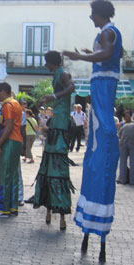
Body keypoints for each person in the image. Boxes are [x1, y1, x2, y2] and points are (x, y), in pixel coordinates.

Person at [63, 0, 122, 262]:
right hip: (102, 89)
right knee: (98, 130)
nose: (90, 17)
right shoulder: (108, 34)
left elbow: (109, 54)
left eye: (92, 13)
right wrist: (92, 53)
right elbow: (112, 55)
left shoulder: (108, 32)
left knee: (102, 128)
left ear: (100, 14)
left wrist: (82, 57)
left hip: (103, 89)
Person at [32, 50, 76, 230]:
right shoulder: (58, 75)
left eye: (47, 63)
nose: (46, 66)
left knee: (57, 166)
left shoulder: (63, 74)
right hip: (57, 121)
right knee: (49, 164)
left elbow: (72, 88)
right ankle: (50, 208)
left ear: (52, 62)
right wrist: (47, 100)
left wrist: (54, 96)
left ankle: (59, 212)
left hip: (61, 123)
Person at [0, 82, 23, 217]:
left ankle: (3, 208)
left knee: (4, 175)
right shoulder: (16, 103)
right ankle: (13, 207)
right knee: (13, 175)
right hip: (16, 141)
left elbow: (8, 128)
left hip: (10, 142)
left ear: (3, 92)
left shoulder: (7, 106)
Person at [116, 120, 134, 185]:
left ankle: (123, 180)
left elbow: (118, 135)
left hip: (123, 143)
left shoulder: (124, 126)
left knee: (123, 162)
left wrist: (119, 144)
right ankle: (132, 181)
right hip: (133, 143)